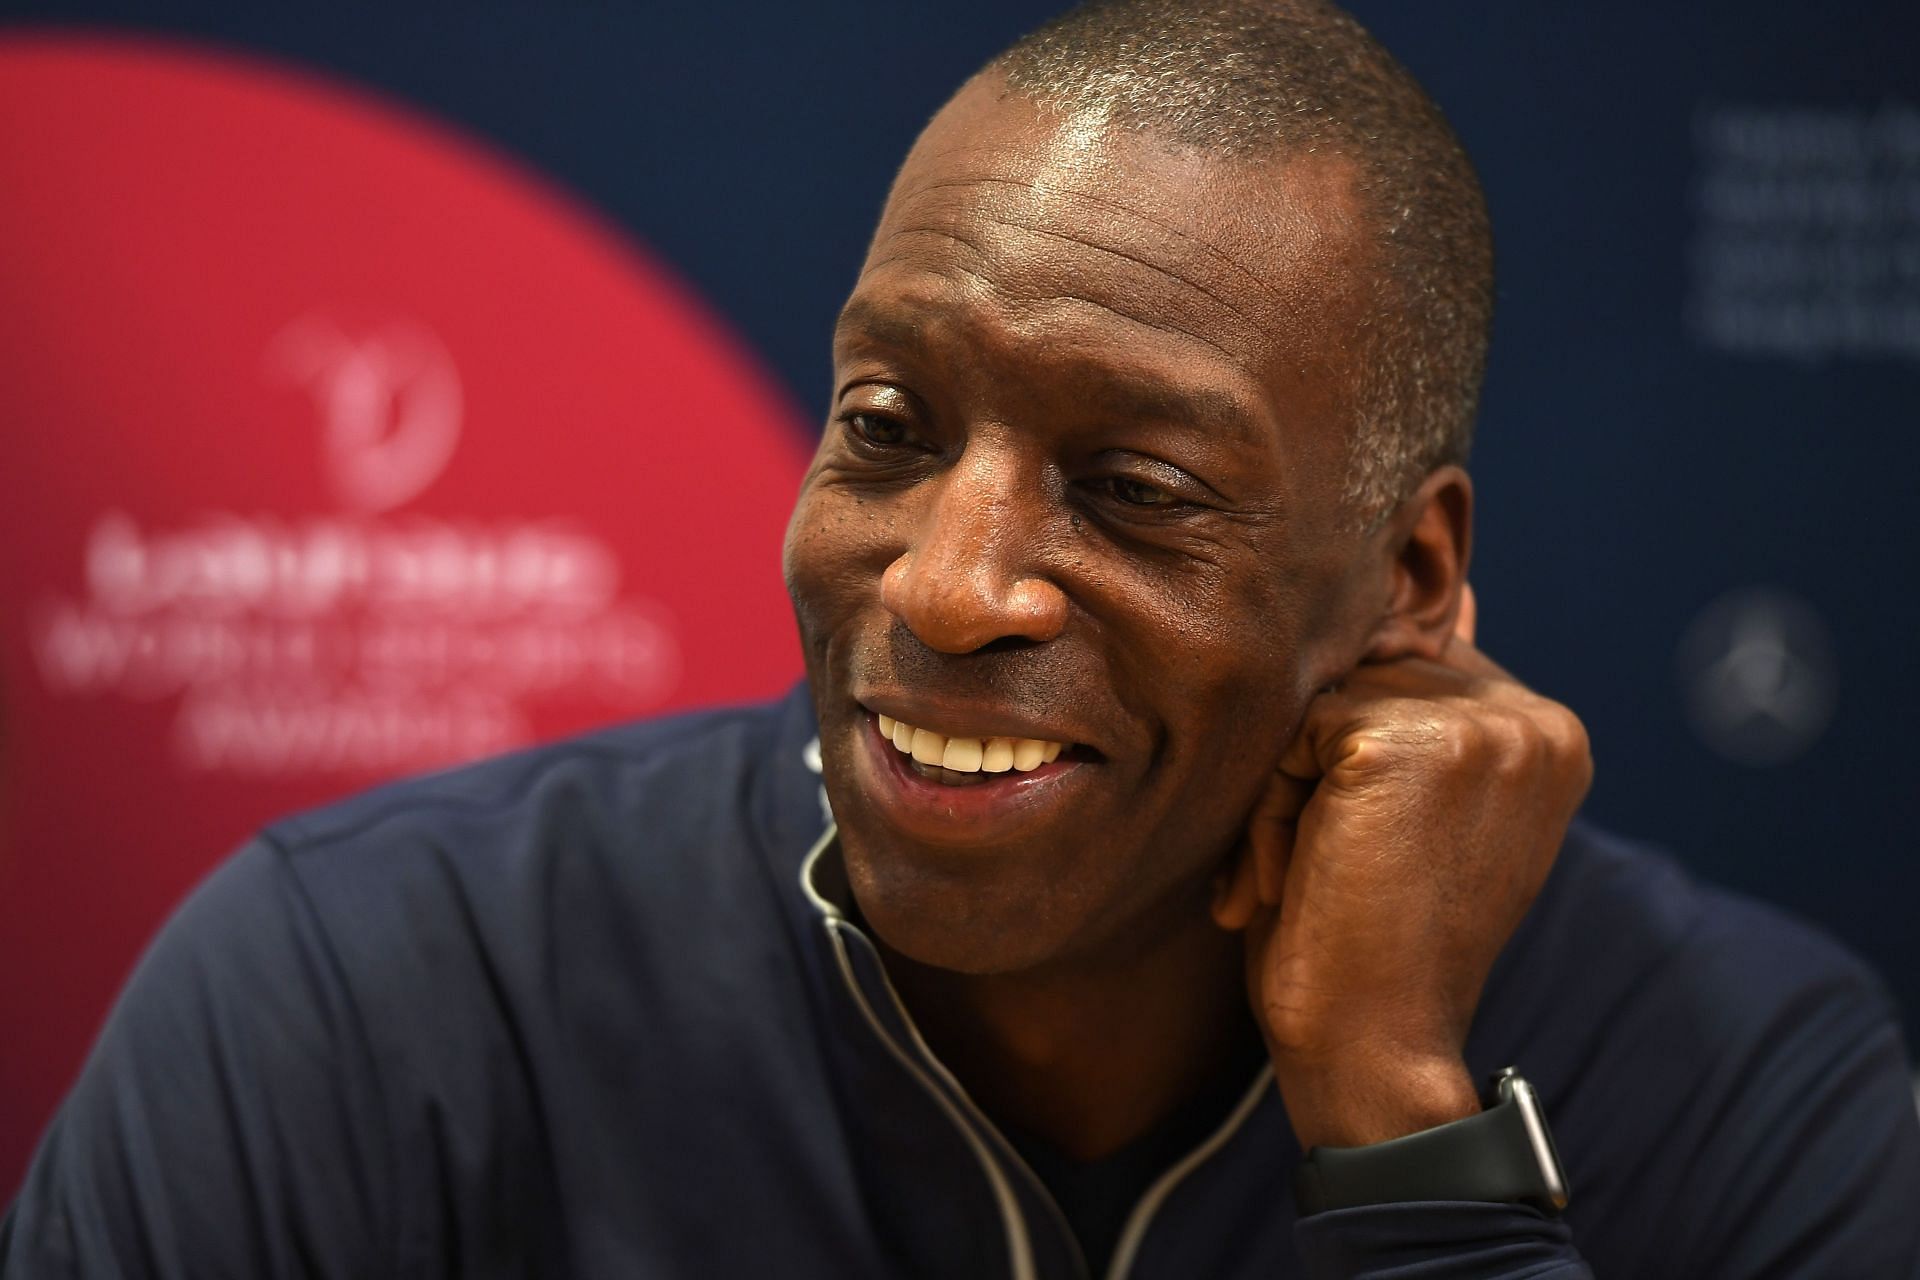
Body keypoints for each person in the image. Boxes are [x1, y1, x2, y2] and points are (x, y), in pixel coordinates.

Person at [5, 1, 1917, 1275]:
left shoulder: (1737, 1072)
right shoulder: (368, 995)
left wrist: (1402, 1128)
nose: (942, 582)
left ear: (1411, 580)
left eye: (1138, 484)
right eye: (887, 430)